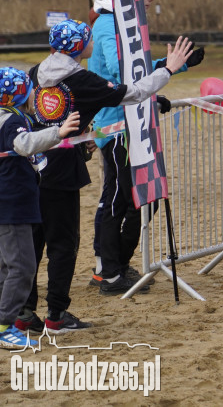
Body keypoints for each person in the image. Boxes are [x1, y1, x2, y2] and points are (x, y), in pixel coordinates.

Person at [27, 20, 192, 312]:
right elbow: (134, 93)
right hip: (61, 173)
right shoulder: (83, 81)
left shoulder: (34, 73)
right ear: (79, 47)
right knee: (63, 246)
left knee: (32, 244)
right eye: (88, 39)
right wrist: (168, 69)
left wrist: (80, 136)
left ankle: (24, 312)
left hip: (31, 168)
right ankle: (56, 313)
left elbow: (35, 118)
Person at [88, 0, 204, 291]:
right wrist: (167, 67)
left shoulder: (126, 25)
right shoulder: (107, 25)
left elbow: (136, 69)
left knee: (143, 200)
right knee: (122, 200)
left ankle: (114, 265)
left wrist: (175, 63)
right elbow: (120, 70)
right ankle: (109, 271)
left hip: (134, 124)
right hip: (115, 128)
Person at [0, 69, 79, 348]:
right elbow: (24, 144)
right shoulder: (13, 122)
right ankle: (5, 327)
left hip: (10, 207)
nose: (37, 93)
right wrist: (58, 132)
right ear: (21, 94)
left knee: (7, 267)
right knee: (22, 268)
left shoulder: (9, 119)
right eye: (32, 89)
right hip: (13, 208)